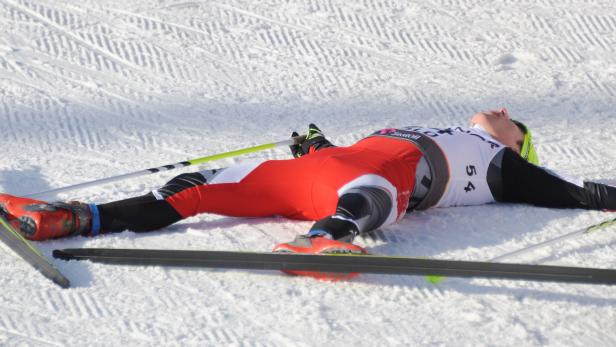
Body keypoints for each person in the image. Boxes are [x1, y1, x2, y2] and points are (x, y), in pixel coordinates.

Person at [1, 108, 614, 278]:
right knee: (198, 190)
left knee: (375, 187)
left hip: (374, 185)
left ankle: (328, 237)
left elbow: (583, 194)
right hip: (318, 174)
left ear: (517, 145)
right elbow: (349, 155)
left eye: (515, 123)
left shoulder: (504, 165)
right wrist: (317, 145)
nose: (505, 113)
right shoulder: (448, 125)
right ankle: (70, 219)